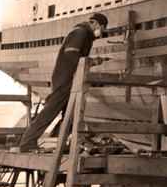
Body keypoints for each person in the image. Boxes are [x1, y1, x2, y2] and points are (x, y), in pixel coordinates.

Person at [15, 12, 108, 151]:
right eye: (101, 27)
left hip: (72, 79)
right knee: (50, 111)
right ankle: (27, 142)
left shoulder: (86, 36)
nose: (100, 32)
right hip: (64, 79)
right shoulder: (80, 32)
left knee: (70, 114)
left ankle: (66, 143)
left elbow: (77, 56)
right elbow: (70, 53)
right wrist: (91, 61)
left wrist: (92, 61)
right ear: (94, 23)